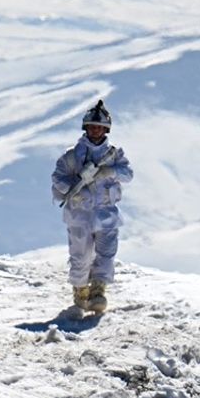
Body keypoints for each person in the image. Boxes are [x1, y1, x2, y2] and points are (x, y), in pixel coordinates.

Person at [51, 100, 133, 313]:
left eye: (100, 127)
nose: (96, 130)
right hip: (80, 215)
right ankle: (80, 292)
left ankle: (98, 292)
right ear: (86, 128)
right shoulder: (71, 156)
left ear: (106, 130)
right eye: (92, 126)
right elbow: (58, 178)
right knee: (81, 255)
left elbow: (128, 174)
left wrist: (111, 171)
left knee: (106, 253)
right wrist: (77, 188)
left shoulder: (114, 155)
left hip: (106, 213)